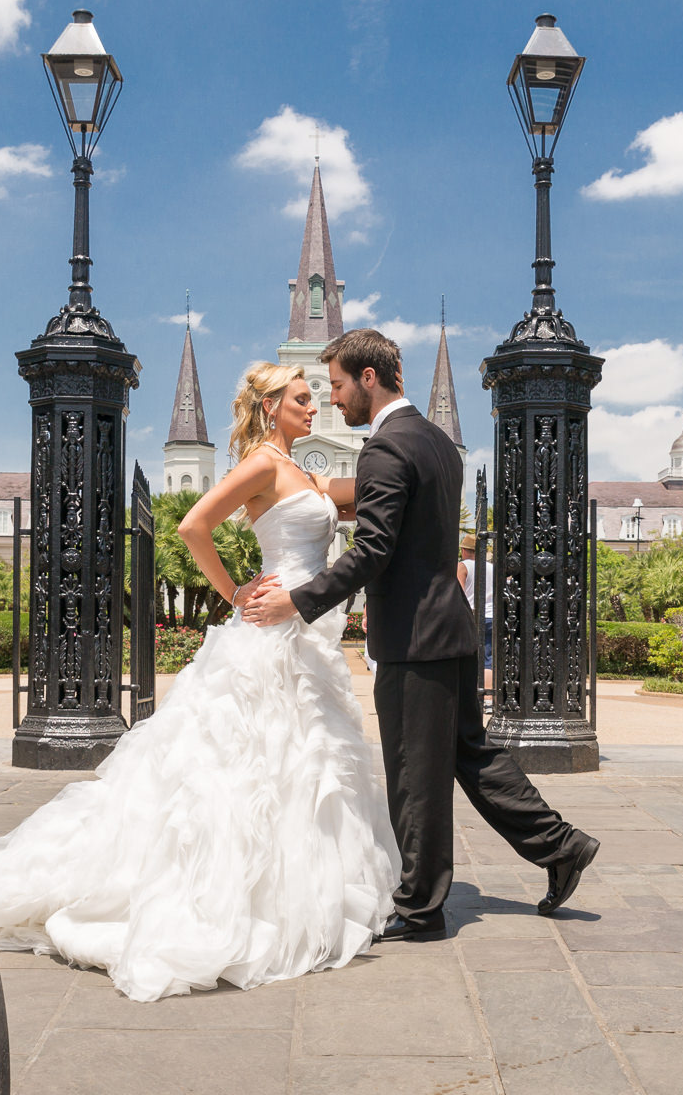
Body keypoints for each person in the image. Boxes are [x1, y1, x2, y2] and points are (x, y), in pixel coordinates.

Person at [0, 363, 400, 1001]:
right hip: (269, 633)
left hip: (308, 640)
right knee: (247, 764)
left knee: (306, 764)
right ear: (272, 405)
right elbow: (193, 525)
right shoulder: (261, 464)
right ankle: (232, 897)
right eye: (303, 400)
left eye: (316, 399)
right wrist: (234, 592)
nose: (315, 409)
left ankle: (303, 887)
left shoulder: (303, 469)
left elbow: (367, 495)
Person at [245, 329, 599, 942]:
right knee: (469, 752)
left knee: (415, 772)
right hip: (451, 625)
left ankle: (420, 906)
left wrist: (298, 601)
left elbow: (375, 550)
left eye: (336, 384)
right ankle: (561, 846)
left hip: (413, 635)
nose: (333, 399)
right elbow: (403, 522)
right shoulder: (437, 443)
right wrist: (328, 495)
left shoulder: (384, 448)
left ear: (368, 378)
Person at [457, 532, 493, 686]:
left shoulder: (462, 566)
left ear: (464, 550)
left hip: (471, 615)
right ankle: (488, 698)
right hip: (491, 615)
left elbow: (459, 592)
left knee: (467, 657)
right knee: (488, 660)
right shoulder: (492, 567)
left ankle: (471, 693)